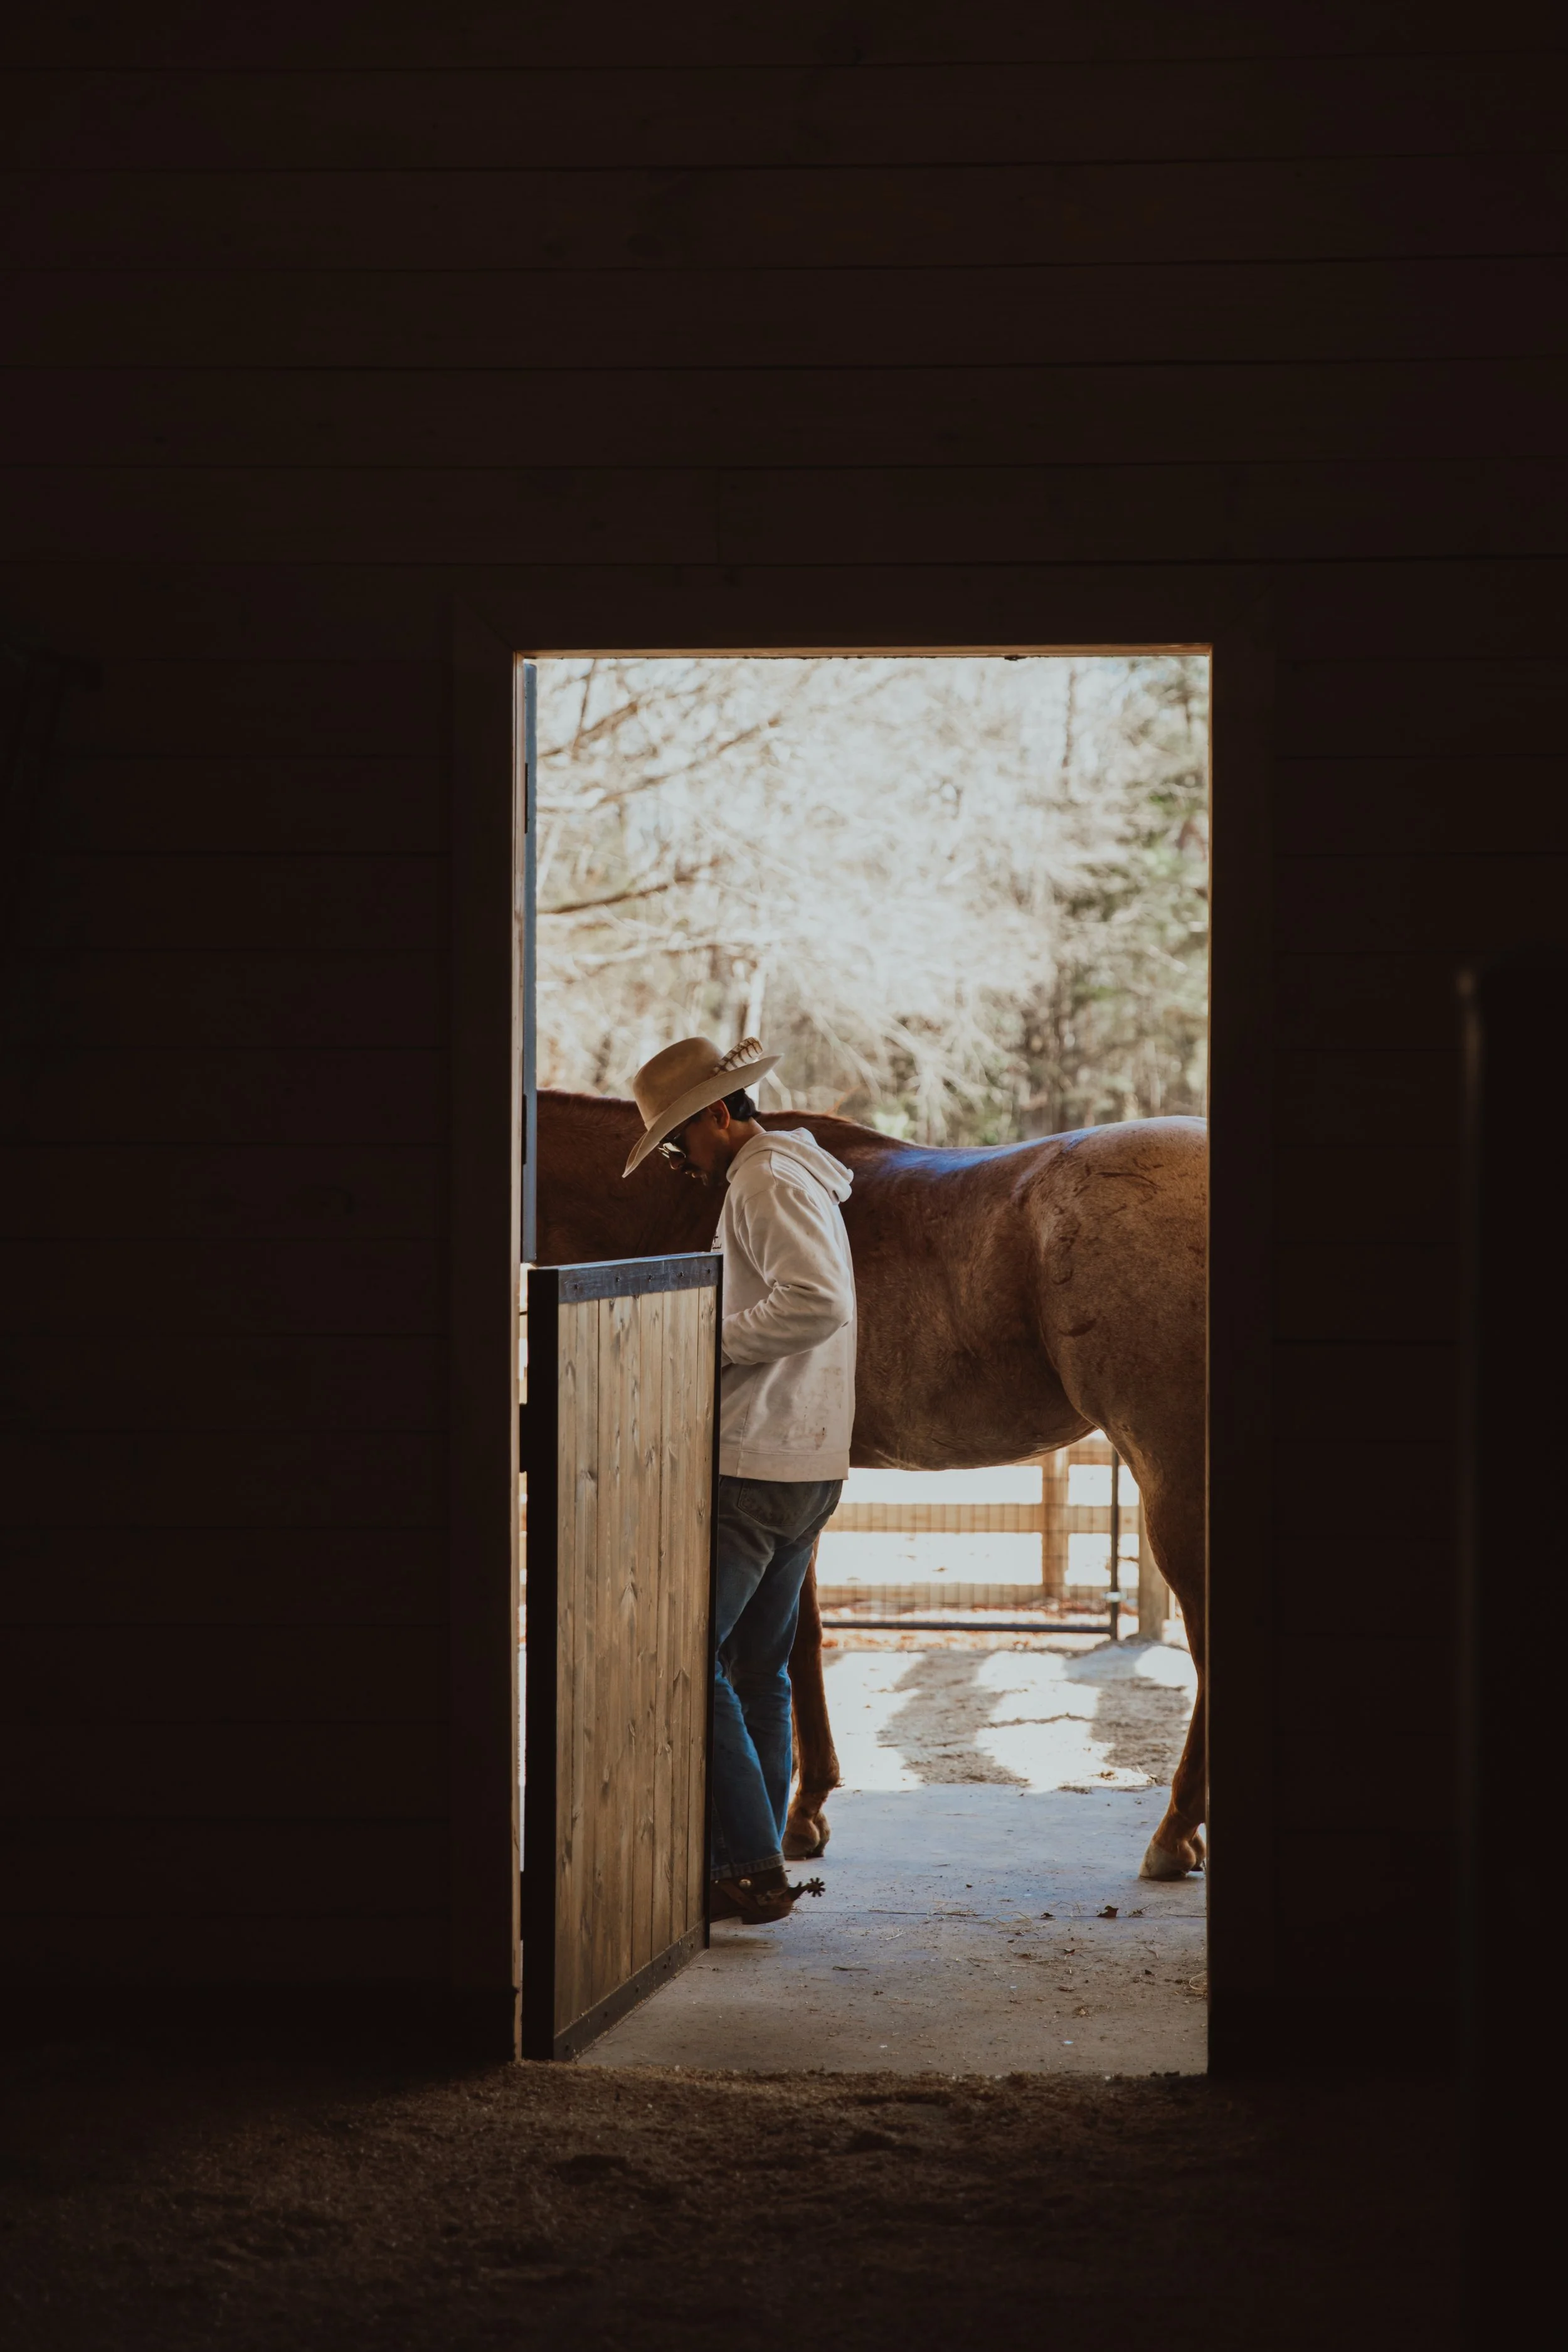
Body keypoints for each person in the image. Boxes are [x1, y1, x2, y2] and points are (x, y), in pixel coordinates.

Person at [623, 1035, 857, 1925]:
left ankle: (750, 1865)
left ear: (720, 1114)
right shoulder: (796, 1175)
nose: (680, 1162)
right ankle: (754, 1865)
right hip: (805, 1462)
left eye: (680, 1140)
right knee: (759, 1669)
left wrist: (704, 1345)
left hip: (757, 1458)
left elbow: (817, 1300)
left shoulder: (763, 1180)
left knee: (692, 1655)